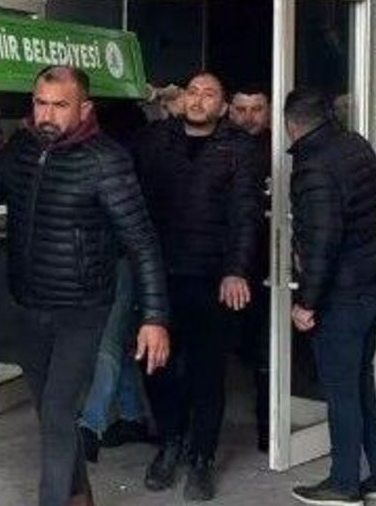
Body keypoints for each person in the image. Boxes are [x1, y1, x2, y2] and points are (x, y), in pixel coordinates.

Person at [0, 66, 170, 506]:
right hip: (27, 304)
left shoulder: (106, 160)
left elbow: (141, 241)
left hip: (82, 309)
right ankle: (79, 496)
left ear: (84, 108)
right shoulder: (20, 149)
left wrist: (154, 317)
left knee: (57, 410)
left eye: (60, 105)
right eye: (40, 103)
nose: (47, 115)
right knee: (50, 412)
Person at [136, 72, 264, 502]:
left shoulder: (239, 148)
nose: (198, 100)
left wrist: (236, 269)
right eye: (192, 92)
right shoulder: (156, 140)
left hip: (212, 277)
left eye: (209, 94)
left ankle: (202, 458)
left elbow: (246, 214)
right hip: (160, 275)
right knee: (157, 366)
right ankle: (170, 443)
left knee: (207, 372)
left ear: (223, 107)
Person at [284, 89, 376, 506]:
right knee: (359, 386)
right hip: (372, 285)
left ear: (292, 124)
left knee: (342, 393)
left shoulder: (314, 165)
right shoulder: (356, 146)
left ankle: (343, 483)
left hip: (343, 296)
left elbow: (323, 240)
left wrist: (307, 302)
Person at [76, 100, 157, 463]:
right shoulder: (136, 152)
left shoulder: (109, 158)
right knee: (119, 342)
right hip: (122, 257)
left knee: (105, 342)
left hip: (115, 258)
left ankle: (89, 427)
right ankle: (132, 415)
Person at [228, 85, 273, 452]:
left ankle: (268, 429)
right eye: (241, 109)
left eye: (256, 108)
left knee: (265, 348)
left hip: (271, 264)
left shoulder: (281, 150)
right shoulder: (219, 148)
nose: (248, 117)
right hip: (227, 266)